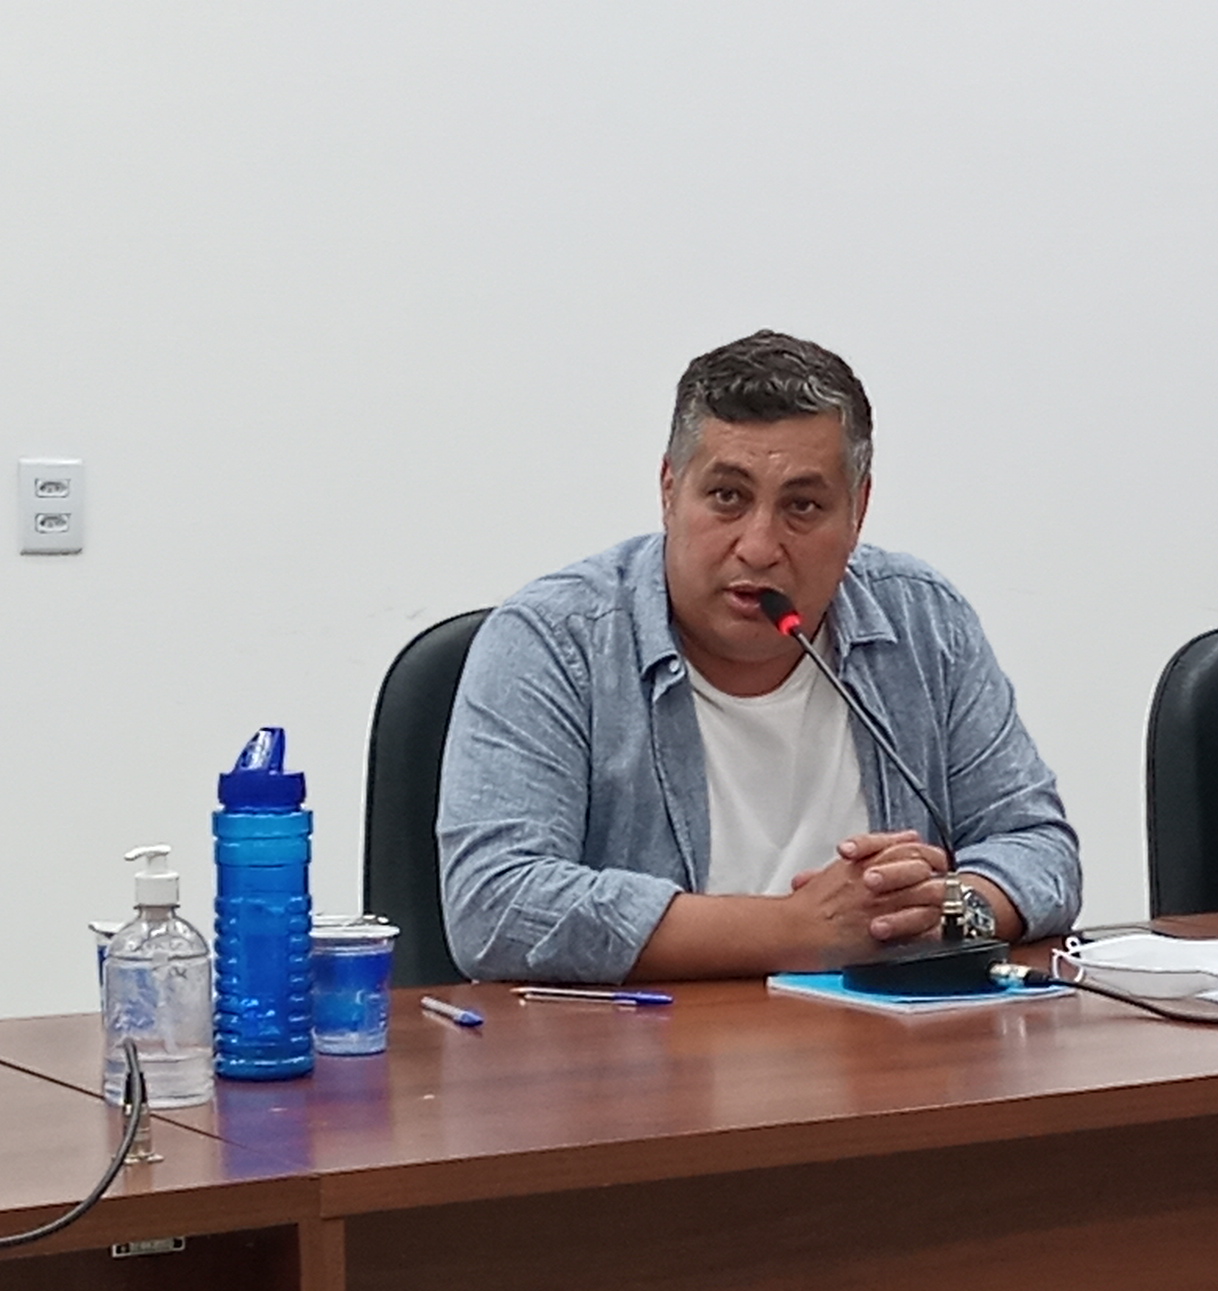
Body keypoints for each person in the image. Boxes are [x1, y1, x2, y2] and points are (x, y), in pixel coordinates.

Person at [437, 330, 1081, 983]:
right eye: (728, 498)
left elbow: (1039, 848)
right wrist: (799, 930)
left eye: (802, 506)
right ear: (669, 490)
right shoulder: (555, 642)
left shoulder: (923, 622)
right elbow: (496, 906)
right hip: (655, 1041)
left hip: (887, 1039)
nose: (759, 546)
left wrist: (938, 913)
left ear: (857, 512)